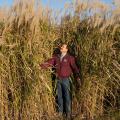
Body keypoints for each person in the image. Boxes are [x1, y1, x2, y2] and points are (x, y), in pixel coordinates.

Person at [40, 43, 81, 120]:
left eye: (63, 47)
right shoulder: (56, 57)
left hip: (66, 80)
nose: (61, 47)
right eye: (61, 46)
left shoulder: (70, 58)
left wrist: (78, 76)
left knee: (67, 97)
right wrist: (40, 66)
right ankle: (60, 113)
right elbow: (49, 63)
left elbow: (75, 68)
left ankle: (68, 114)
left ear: (66, 49)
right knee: (59, 97)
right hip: (58, 80)